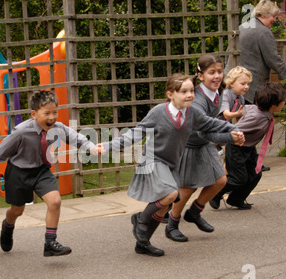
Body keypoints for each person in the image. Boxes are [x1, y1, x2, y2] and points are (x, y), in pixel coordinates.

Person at [99, 73, 244, 256]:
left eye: (191, 90)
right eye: (183, 91)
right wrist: (107, 146)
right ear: (170, 94)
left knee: (162, 207)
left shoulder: (192, 113)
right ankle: (141, 221)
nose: (189, 95)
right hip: (153, 160)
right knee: (171, 194)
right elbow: (135, 133)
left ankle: (143, 243)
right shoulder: (159, 112)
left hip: (172, 163)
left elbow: (211, 124)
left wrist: (234, 130)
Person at [0, 90, 102, 257]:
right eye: (47, 113)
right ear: (34, 114)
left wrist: (91, 147)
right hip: (18, 172)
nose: (52, 117)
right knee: (17, 210)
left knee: (55, 201)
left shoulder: (58, 128)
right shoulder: (21, 131)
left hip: (41, 170)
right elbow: (2, 151)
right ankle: (7, 226)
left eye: (55, 112)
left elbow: (75, 138)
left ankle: (50, 242)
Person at [165, 55, 240, 243]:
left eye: (219, 72)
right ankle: (172, 225)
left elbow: (212, 126)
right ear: (200, 75)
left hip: (203, 142)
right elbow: (203, 133)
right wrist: (229, 137)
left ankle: (194, 213)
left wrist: (229, 134)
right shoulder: (197, 100)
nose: (216, 76)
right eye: (211, 72)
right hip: (189, 144)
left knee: (220, 181)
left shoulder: (217, 92)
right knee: (187, 188)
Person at [209, 82, 286, 210]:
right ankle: (215, 193)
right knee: (239, 178)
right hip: (236, 148)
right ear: (274, 105)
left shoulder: (258, 110)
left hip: (248, 148)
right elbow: (234, 128)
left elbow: (246, 109)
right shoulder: (258, 117)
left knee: (256, 174)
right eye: (283, 101)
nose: (285, 102)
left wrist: (239, 112)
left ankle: (236, 199)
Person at [231, 0, 286, 104]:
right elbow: (272, 58)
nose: (274, 19)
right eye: (273, 16)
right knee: (253, 116)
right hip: (251, 84)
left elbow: (230, 52)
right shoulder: (264, 31)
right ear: (264, 15)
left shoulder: (242, 27)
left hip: (234, 82)